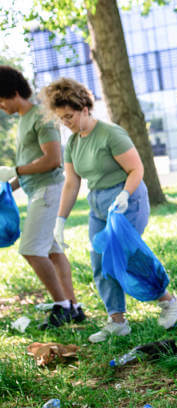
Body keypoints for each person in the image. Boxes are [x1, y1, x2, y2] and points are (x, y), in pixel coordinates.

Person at [40, 77, 177, 343]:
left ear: (85, 108)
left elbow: (136, 169)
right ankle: (117, 320)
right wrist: (59, 220)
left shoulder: (110, 134)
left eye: (70, 116)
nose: (66, 123)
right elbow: (72, 183)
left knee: (125, 256)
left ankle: (169, 301)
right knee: (99, 261)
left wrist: (124, 195)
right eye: (61, 118)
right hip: (98, 203)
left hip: (126, 198)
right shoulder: (73, 142)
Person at [0, 66, 84, 329]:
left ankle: (62, 305)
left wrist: (14, 170)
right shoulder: (24, 120)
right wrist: (8, 184)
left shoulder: (41, 117)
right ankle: (73, 306)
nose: (0, 105)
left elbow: (52, 160)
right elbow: (28, 167)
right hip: (37, 189)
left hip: (49, 190)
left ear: (14, 92)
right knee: (52, 250)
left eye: (1, 99)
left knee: (30, 249)